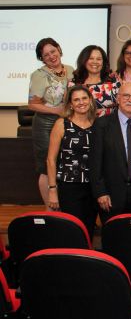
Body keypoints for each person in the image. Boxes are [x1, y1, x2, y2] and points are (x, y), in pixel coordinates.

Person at [90, 83, 131, 224]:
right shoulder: (102, 124)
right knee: (114, 234)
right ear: (118, 98)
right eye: (126, 96)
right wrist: (100, 192)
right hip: (111, 194)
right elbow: (95, 162)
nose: (130, 100)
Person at [28, 37, 74, 208]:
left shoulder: (71, 70)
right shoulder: (39, 75)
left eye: (53, 51)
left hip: (67, 123)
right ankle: (50, 210)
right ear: (42, 58)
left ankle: (64, 207)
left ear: (59, 49)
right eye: (46, 55)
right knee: (47, 167)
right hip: (45, 125)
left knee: (64, 165)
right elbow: (32, 104)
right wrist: (56, 111)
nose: (51, 56)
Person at [46, 85, 97, 237]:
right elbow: (50, 160)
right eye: (76, 100)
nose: (81, 102)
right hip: (69, 186)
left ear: (90, 100)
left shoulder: (98, 124)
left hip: (93, 187)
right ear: (70, 104)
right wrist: (52, 189)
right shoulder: (61, 124)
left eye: (84, 98)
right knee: (72, 230)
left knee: (88, 229)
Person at [72, 45, 121, 117]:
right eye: (91, 58)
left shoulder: (114, 81)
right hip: (83, 123)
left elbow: (122, 104)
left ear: (103, 62)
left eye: (99, 59)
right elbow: (69, 109)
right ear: (84, 60)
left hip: (111, 123)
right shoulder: (73, 84)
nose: (95, 62)